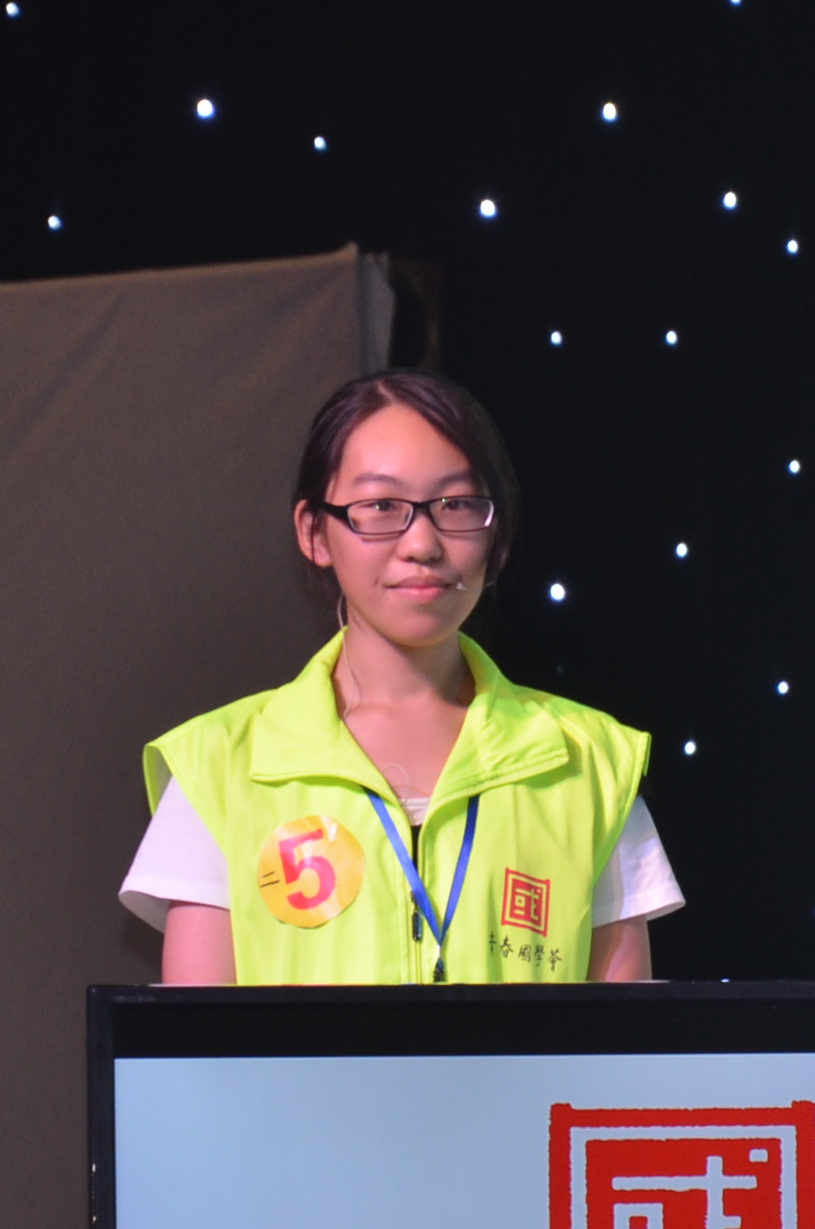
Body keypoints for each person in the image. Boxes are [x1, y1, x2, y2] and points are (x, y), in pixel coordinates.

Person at [122, 370, 680, 982]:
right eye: (381, 506)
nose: (422, 543)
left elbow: (623, 1037)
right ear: (314, 532)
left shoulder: (589, 763)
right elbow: (196, 1039)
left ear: (497, 535)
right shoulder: (219, 768)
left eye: (456, 504)